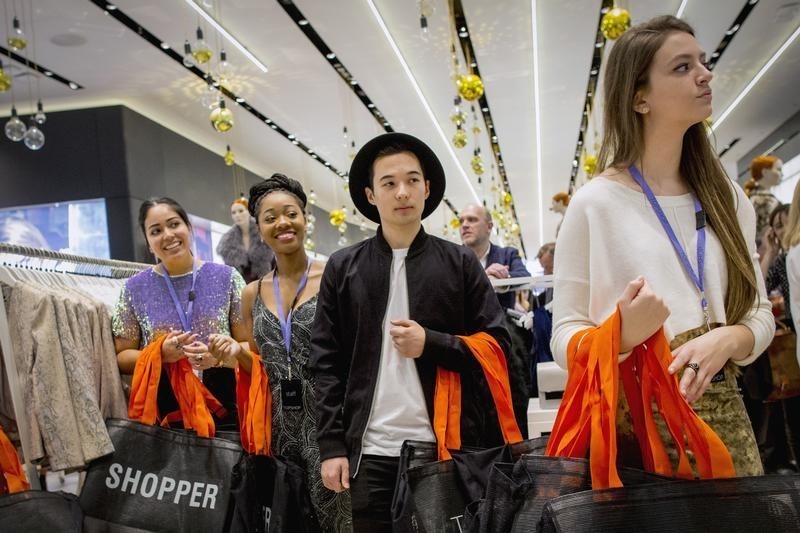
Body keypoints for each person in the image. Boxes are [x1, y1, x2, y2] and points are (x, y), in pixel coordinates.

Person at [551, 15, 774, 477]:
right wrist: (623, 334)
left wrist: (730, 337)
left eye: (703, 62)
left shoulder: (725, 196)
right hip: (636, 430)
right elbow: (564, 331)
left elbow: (758, 311)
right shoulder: (595, 203)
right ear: (640, 97)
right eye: (682, 66)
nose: (705, 73)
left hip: (724, 418)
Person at [310, 132, 511, 529]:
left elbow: (499, 346)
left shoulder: (459, 263)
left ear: (427, 188)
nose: (402, 192)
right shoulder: (343, 267)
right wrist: (332, 446)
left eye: (412, 180)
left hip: (444, 448)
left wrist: (431, 343)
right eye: (389, 183)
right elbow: (324, 361)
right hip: (368, 450)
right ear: (371, 194)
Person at [207, 174, 352, 532]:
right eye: (270, 218)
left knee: (342, 521)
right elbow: (256, 361)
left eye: (290, 213)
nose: (282, 223)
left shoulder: (335, 277)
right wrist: (232, 353)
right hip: (277, 430)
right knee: (290, 520)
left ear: (305, 218)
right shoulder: (251, 293)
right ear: (259, 228)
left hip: (332, 424)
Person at [113, 197, 245, 429]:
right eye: (156, 231)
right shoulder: (134, 288)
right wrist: (159, 353)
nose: (167, 235)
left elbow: (250, 346)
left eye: (174, 224)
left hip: (226, 406)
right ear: (148, 241)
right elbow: (121, 358)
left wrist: (220, 357)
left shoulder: (227, 277)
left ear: (189, 228)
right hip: (166, 412)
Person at [458, 203, 531, 310]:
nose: (464, 225)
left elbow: (525, 276)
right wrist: (485, 278)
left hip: (500, 324)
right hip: (462, 325)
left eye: (472, 219)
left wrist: (503, 278)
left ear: (489, 227)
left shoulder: (508, 254)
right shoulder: (450, 258)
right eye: (461, 221)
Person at [216, 196, 275, 283]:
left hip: (267, 284)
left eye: (241, 211)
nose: (237, 215)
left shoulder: (264, 233)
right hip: (242, 289)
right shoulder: (227, 243)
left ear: (249, 212)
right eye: (233, 213)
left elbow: (274, 263)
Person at [744, 155, 783, 239]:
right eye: (778, 169)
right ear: (765, 172)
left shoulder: (754, 198)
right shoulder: (762, 200)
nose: (782, 174)